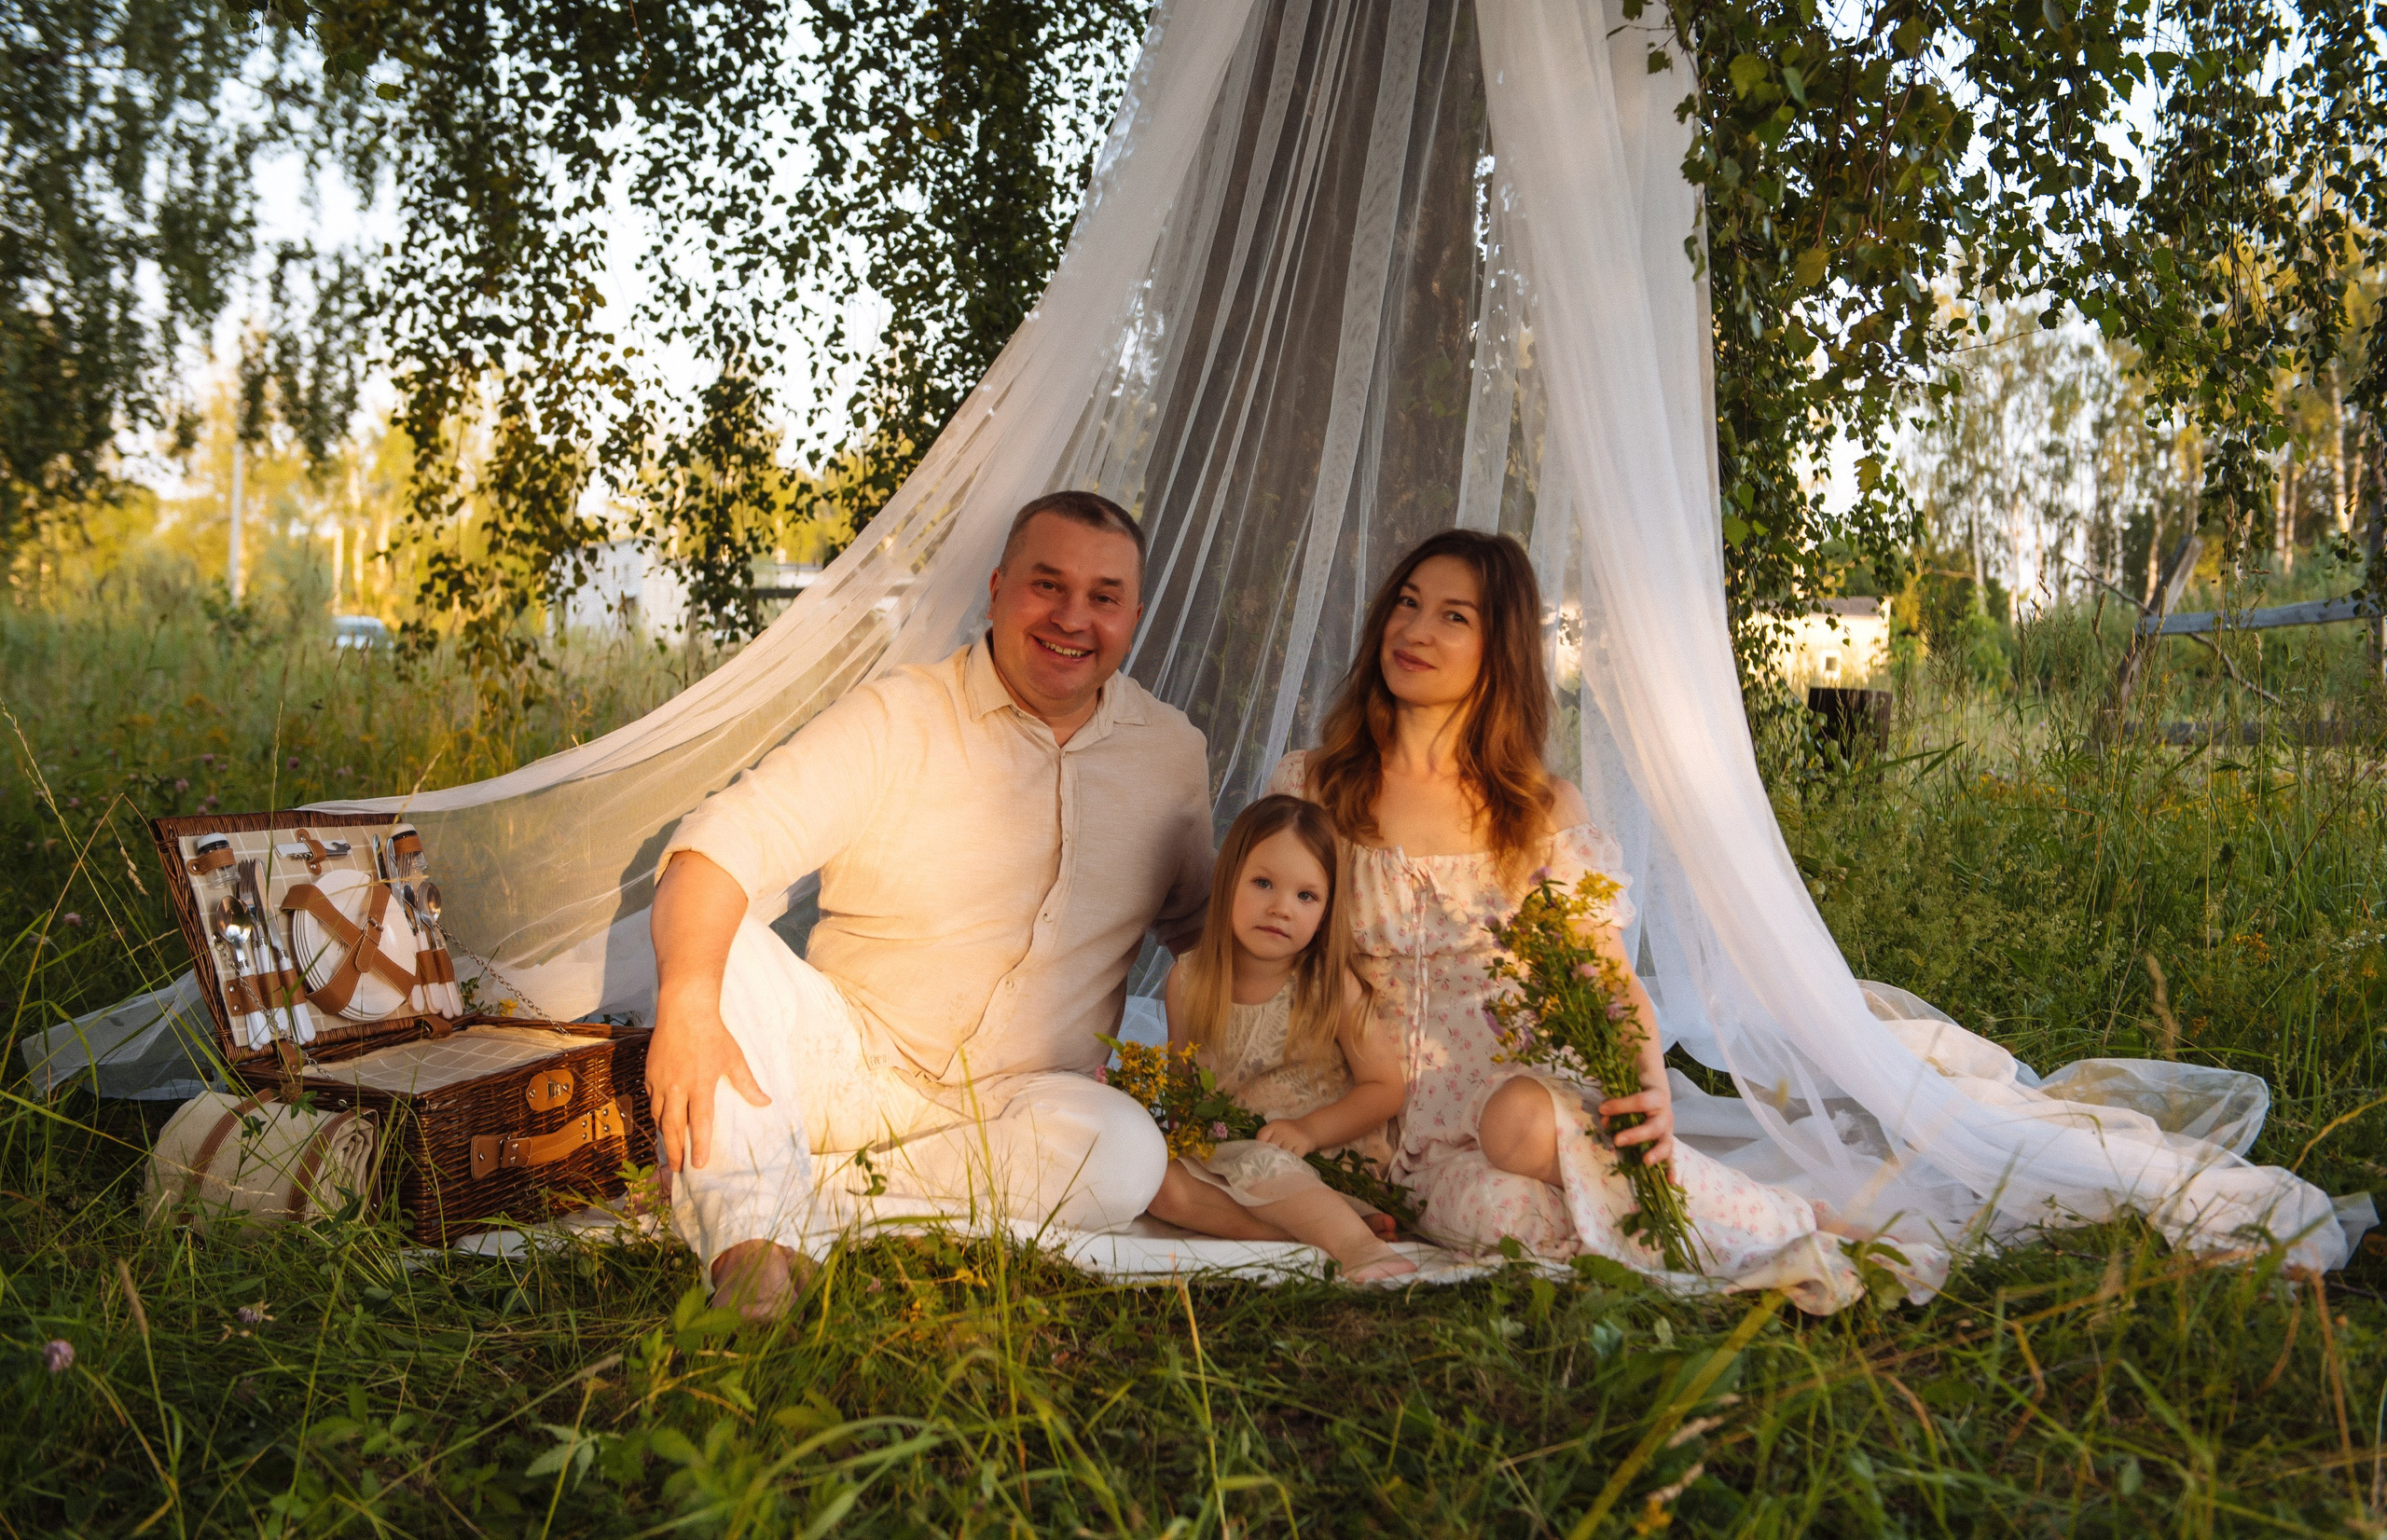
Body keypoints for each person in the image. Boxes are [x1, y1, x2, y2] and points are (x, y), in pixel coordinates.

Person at [1267, 529, 1896, 1313]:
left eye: (1454, 616)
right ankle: (1746, 1229)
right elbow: (1263, 948)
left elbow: (1605, 972)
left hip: (1520, 1088)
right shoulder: (1314, 785)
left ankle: (1785, 1227)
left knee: (1525, 1127)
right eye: (1406, 603)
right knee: (1514, 1215)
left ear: (1500, 649)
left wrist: (1650, 1088)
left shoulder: (1539, 808)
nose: (1416, 629)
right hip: (1387, 1118)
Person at [645, 492, 1214, 1318]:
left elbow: (1203, 933)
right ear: (996, 586)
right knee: (719, 950)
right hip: (848, 1062)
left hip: (1024, 1102)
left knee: (1126, 1155)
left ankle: (804, 1191)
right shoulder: (898, 714)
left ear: (1133, 614)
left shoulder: (1171, 753)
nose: (1072, 617)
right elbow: (716, 845)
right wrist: (687, 1004)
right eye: (1046, 585)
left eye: (1104, 597)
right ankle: (753, 1257)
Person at [1142, 795, 1416, 1282]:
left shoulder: (1327, 984)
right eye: (1263, 883)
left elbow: (1384, 1088)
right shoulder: (1191, 980)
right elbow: (1181, 1083)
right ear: (1228, 884)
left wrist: (1308, 1130)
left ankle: (1358, 1247)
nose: (1280, 908)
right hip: (1231, 1156)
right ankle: (1311, 1233)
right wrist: (1169, 1131)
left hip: (1325, 1158)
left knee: (1264, 1161)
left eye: (1305, 896)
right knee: (1156, 1183)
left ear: (1327, 908)